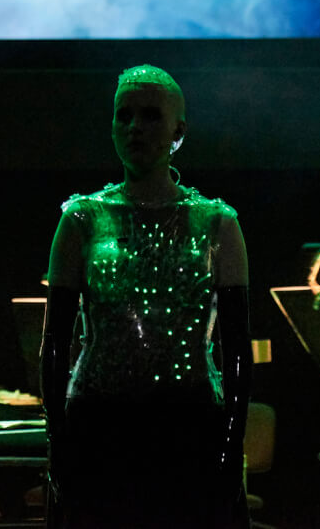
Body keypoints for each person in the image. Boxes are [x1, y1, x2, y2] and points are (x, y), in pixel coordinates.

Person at [40, 65, 251, 529]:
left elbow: (237, 348)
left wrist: (231, 445)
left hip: (188, 427)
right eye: (124, 115)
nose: (134, 126)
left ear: (179, 131)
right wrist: (60, 441)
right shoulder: (81, 220)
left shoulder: (216, 223)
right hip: (100, 428)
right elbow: (54, 343)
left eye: (150, 116)